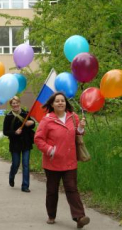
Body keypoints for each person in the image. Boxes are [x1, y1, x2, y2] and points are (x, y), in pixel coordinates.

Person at [34, 92, 90, 228]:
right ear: (52, 104)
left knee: (72, 188)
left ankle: (80, 217)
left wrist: (81, 127)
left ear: (66, 103)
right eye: (57, 101)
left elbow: (78, 133)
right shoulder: (47, 120)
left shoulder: (73, 117)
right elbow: (38, 139)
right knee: (52, 190)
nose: (60, 103)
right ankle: (51, 215)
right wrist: (49, 150)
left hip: (70, 161)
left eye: (63, 101)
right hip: (52, 162)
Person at [3, 96, 35, 192]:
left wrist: (31, 123)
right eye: (13, 103)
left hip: (26, 143)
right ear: (11, 105)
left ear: (19, 103)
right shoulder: (8, 116)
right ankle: (11, 175)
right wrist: (14, 132)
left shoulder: (25, 114)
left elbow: (32, 124)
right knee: (16, 164)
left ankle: (25, 186)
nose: (15, 105)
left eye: (17, 102)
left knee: (25, 164)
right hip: (15, 144)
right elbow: (5, 131)